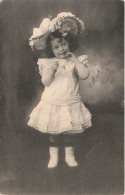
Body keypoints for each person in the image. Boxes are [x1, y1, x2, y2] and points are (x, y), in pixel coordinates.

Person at [27, 12, 92, 168]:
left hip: (70, 102)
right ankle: (53, 158)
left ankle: (70, 156)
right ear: (51, 50)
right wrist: (51, 71)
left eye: (63, 44)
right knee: (54, 134)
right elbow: (46, 83)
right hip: (54, 102)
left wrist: (75, 60)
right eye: (56, 47)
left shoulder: (76, 61)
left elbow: (84, 75)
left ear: (69, 43)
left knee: (69, 133)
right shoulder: (48, 63)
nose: (61, 49)